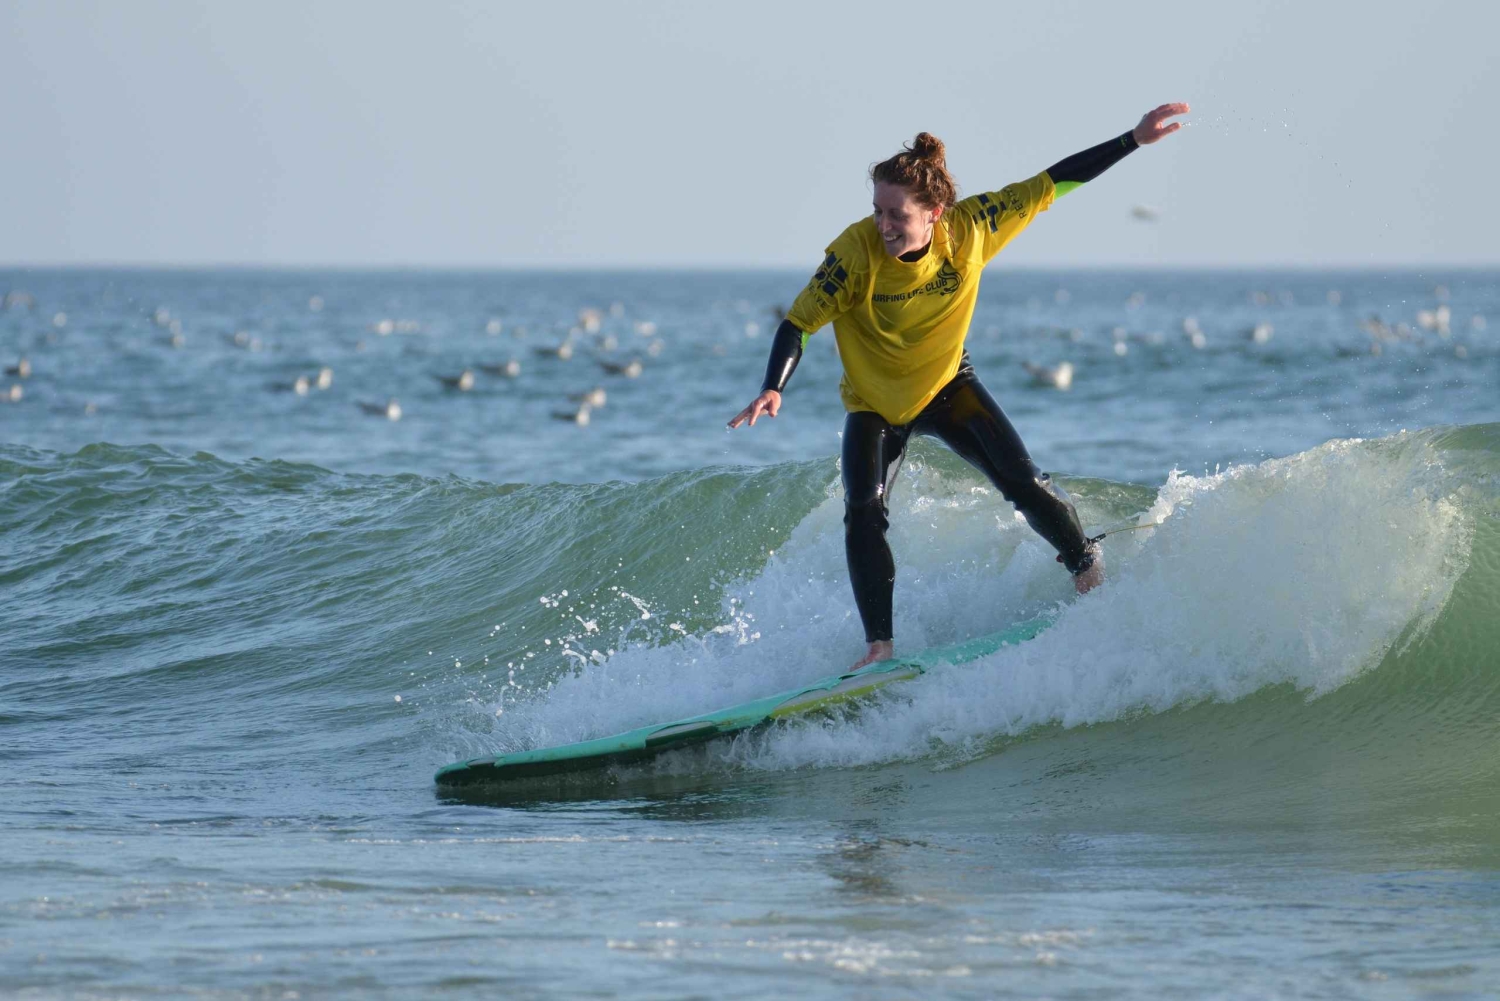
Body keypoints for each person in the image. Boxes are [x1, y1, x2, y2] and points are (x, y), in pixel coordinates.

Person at [728, 103, 1189, 671]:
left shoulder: (973, 228)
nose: (883, 225)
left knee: (1023, 482)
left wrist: (1133, 140)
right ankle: (879, 647)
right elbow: (797, 323)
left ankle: (1087, 569)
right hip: (875, 403)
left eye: (896, 214)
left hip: (947, 386)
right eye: (877, 211)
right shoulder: (853, 255)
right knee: (863, 510)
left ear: (935, 214)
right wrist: (773, 387)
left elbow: (1053, 183)